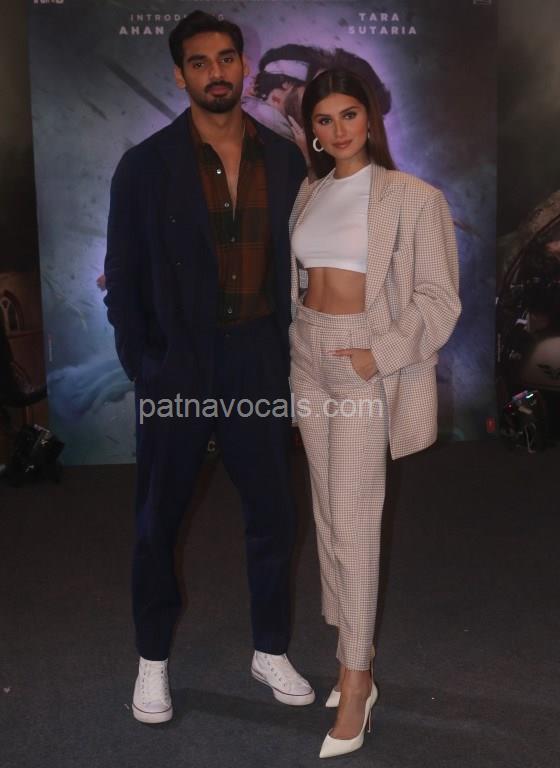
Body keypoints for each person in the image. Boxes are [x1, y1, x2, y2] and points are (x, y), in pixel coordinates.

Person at [104, 10, 315, 724]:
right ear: (180, 75)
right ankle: (152, 660)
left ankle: (269, 649)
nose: (216, 72)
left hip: (258, 360)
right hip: (179, 366)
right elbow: (122, 276)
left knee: (274, 516)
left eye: (226, 58)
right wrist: (145, 364)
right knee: (158, 521)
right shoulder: (144, 166)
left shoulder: (284, 160)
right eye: (200, 62)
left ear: (242, 66)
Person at [289, 69, 461, 757]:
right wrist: (301, 344)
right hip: (308, 354)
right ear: (311, 130)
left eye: (349, 114)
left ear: (370, 118)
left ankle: (357, 678)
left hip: (362, 357)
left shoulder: (414, 196)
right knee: (329, 515)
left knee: (356, 520)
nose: (338, 130)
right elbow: (300, 280)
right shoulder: (310, 191)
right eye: (323, 119)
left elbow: (439, 299)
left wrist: (378, 354)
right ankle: (348, 651)